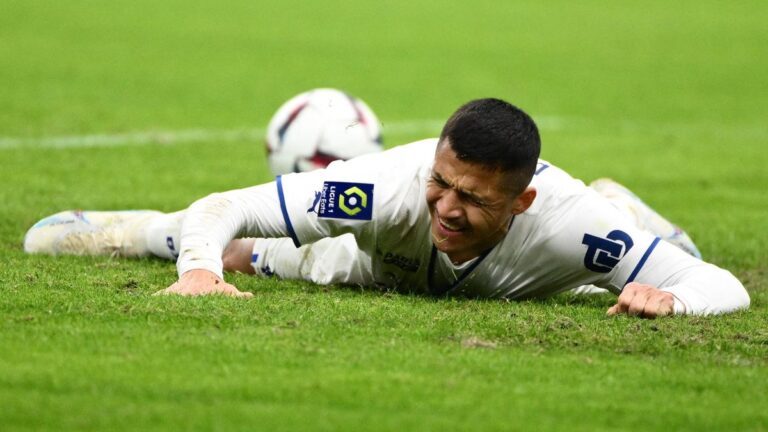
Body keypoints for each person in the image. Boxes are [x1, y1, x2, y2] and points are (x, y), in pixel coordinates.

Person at [25, 98, 749, 317]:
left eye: (474, 196)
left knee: (637, 263)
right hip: (374, 261)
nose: (449, 206)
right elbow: (227, 205)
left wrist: (671, 300)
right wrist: (195, 266)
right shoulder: (385, 184)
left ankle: (638, 214)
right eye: (444, 182)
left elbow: (722, 285)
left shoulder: (567, 222)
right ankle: (136, 231)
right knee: (252, 251)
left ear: (521, 199)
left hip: (563, 261)